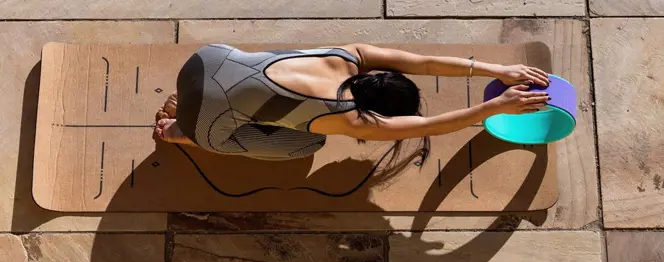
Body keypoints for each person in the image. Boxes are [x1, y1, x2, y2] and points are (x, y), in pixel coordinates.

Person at [155, 43, 550, 163]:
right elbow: (429, 128)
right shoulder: (347, 118)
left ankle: (194, 98)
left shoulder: (351, 55)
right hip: (209, 116)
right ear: (377, 111)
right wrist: (491, 109)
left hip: (206, 61)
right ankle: (186, 132)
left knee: (256, 86)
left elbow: (423, 62)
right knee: (307, 145)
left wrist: (497, 69)